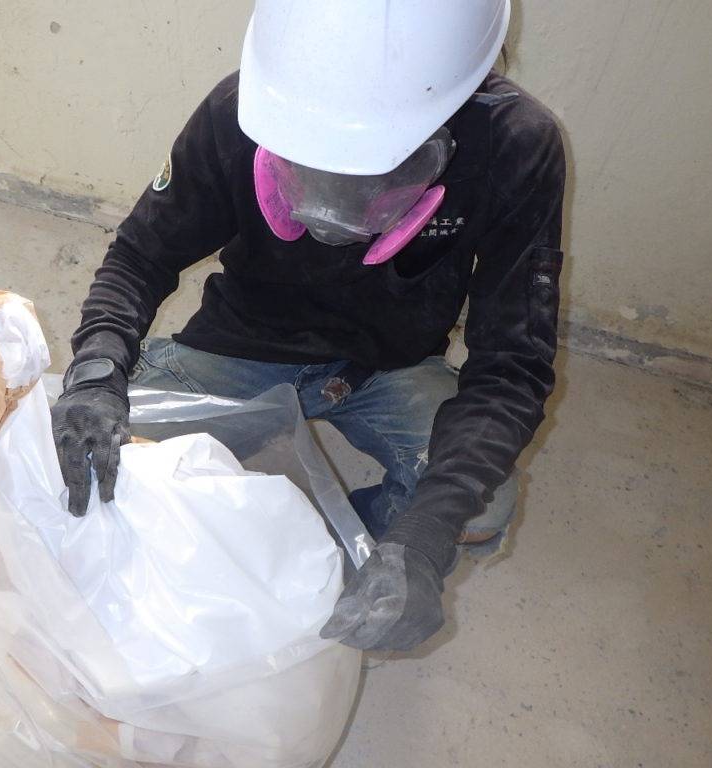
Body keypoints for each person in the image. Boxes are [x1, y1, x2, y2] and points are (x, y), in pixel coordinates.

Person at [50, 0, 565, 653]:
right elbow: (140, 255)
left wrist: (422, 541)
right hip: (242, 344)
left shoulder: (516, 147)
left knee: (477, 508)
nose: (329, 219)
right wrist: (97, 370)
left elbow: (512, 366)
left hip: (389, 366)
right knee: (92, 457)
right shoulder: (241, 110)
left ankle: (350, 573)